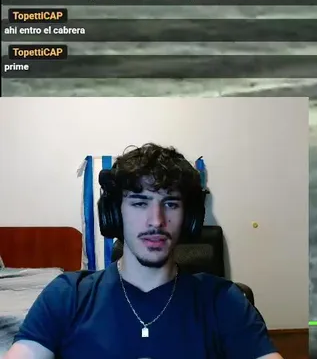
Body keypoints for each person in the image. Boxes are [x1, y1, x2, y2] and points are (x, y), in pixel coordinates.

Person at [2, 143, 281, 359]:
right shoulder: (67, 295)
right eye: (139, 203)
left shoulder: (224, 301)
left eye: (170, 204)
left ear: (189, 218)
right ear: (114, 215)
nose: (156, 221)